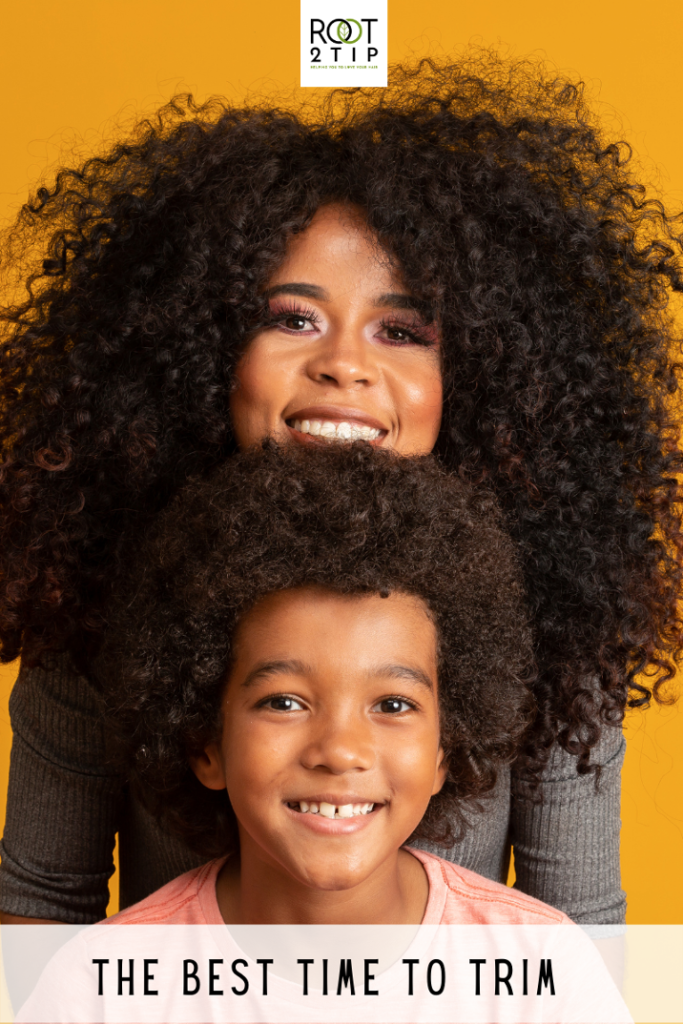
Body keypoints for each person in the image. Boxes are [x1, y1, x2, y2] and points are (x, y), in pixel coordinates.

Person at [1, 54, 681, 927]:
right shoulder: (94, 605)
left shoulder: (557, 632)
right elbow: (42, 905)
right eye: (291, 319)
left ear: (477, 375)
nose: (343, 366)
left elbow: (578, 931)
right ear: (202, 347)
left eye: (401, 330)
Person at [12, 444, 630, 1024]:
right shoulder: (96, 992)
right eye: (283, 702)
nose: (339, 751)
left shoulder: (545, 974)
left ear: (446, 750)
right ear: (205, 742)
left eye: (392, 703)